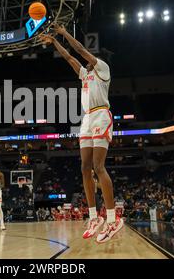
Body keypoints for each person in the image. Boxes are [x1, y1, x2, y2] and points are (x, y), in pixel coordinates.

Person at [40, 24, 123, 244]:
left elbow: (78, 49)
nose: (86, 59)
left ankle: (113, 219)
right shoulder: (85, 74)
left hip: (102, 115)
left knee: (98, 166)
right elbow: (69, 57)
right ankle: (94, 217)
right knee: (85, 168)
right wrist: (54, 42)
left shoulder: (103, 69)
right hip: (87, 119)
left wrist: (64, 32)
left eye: (89, 57)